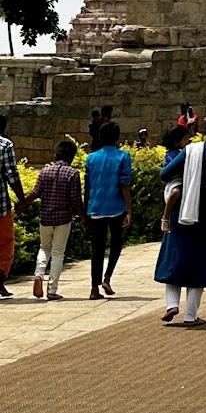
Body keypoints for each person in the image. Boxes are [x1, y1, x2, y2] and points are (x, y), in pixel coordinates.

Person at [155, 112, 206, 326]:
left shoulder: (192, 151)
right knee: (201, 263)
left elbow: (165, 174)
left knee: (175, 256)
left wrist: (187, 178)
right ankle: (190, 315)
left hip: (184, 213)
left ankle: (171, 304)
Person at [24, 139, 85, 300]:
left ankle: (38, 274)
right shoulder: (73, 173)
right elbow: (76, 200)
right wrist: (83, 217)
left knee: (44, 248)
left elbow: (35, 193)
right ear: (71, 157)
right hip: (63, 219)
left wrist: (21, 204)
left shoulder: (44, 172)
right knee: (58, 253)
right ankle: (52, 290)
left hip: (45, 217)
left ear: (55, 155)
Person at [84, 120, 132, 298]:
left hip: (95, 207)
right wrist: (129, 210)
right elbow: (124, 185)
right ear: (117, 137)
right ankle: (107, 277)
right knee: (116, 244)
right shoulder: (123, 156)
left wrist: (85, 210)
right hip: (117, 207)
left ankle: (94, 288)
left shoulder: (91, 158)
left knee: (97, 248)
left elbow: (87, 187)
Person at [0, 113, 28, 299]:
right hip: (0, 206)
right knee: (6, 244)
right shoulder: (4, 145)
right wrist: (22, 199)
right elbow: (12, 175)